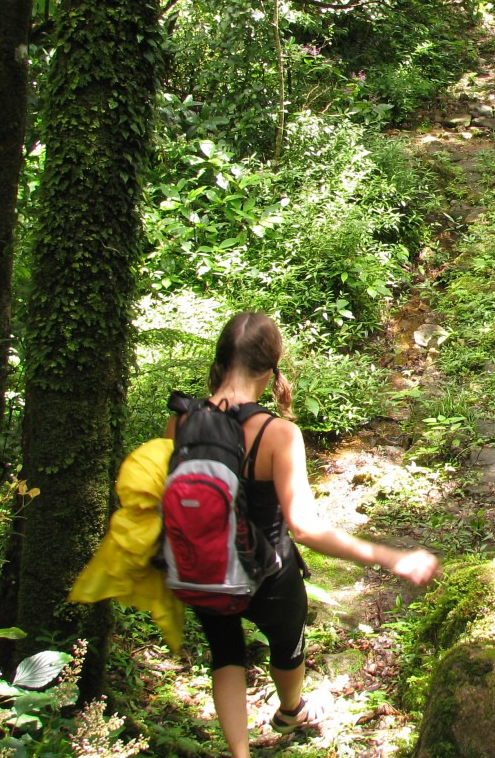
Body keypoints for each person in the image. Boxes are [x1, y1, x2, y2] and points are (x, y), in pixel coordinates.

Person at [165, 312, 440, 758]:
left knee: (225, 655)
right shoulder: (278, 433)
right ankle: (291, 710)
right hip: (270, 573)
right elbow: (306, 529)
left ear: (219, 358)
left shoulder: (181, 419)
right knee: (287, 643)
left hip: (206, 566)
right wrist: (392, 557)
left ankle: (239, 752)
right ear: (274, 366)